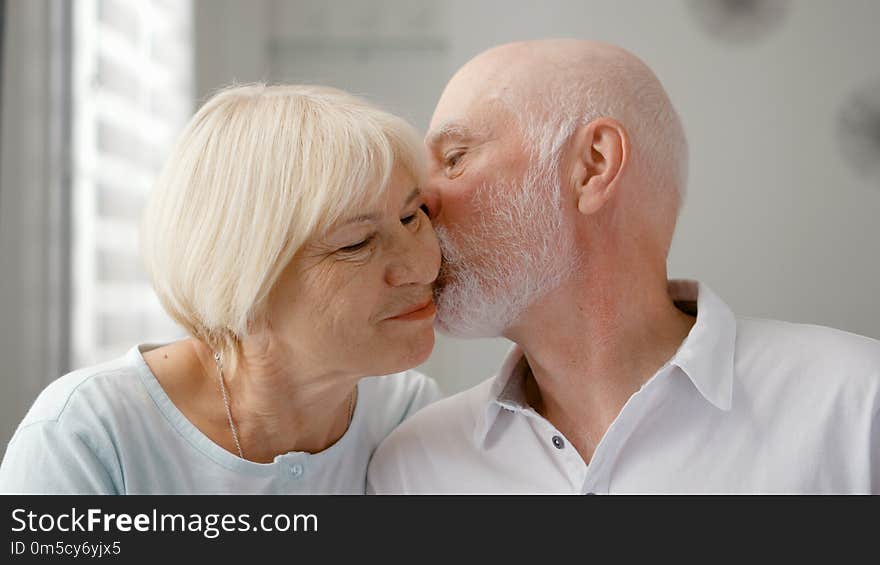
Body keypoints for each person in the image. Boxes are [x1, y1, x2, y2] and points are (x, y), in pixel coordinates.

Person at [367, 39, 880, 494]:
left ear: (593, 165)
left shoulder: (858, 409)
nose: (420, 204)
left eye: (454, 157)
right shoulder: (412, 470)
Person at [0, 84, 442, 494]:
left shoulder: (407, 414)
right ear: (243, 282)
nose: (423, 266)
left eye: (412, 216)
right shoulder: (86, 436)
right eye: (356, 243)